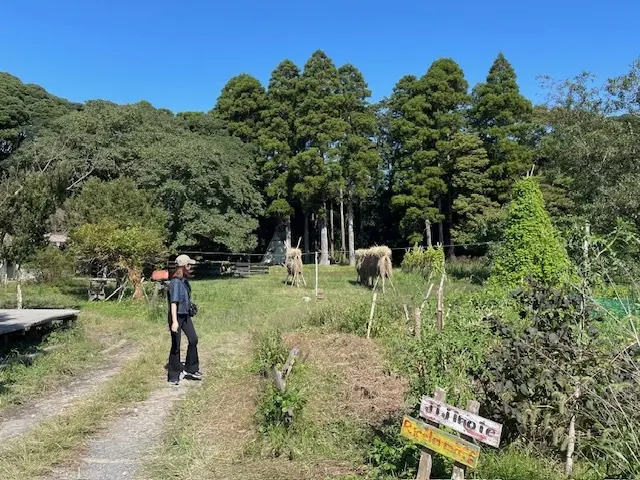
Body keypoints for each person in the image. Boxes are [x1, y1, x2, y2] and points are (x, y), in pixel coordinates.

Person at [167, 254, 202, 385]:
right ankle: (173, 375)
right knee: (176, 345)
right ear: (183, 266)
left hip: (185, 315)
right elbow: (173, 303)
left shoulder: (184, 281)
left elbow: (185, 298)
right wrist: (175, 322)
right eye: (189, 265)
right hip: (176, 316)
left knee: (193, 339)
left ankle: (191, 369)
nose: (190, 267)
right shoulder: (175, 282)